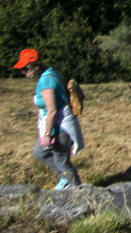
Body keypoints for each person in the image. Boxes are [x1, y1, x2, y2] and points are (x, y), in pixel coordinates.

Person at [14, 49, 81, 189]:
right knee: (39, 153)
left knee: (62, 161)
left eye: (25, 69)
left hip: (60, 126)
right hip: (56, 124)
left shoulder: (46, 82)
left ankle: (78, 191)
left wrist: (47, 135)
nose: (23, 73)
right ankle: (65, 179)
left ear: (34, 65)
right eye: (21, 70)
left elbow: (52, 111)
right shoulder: (49, 72)